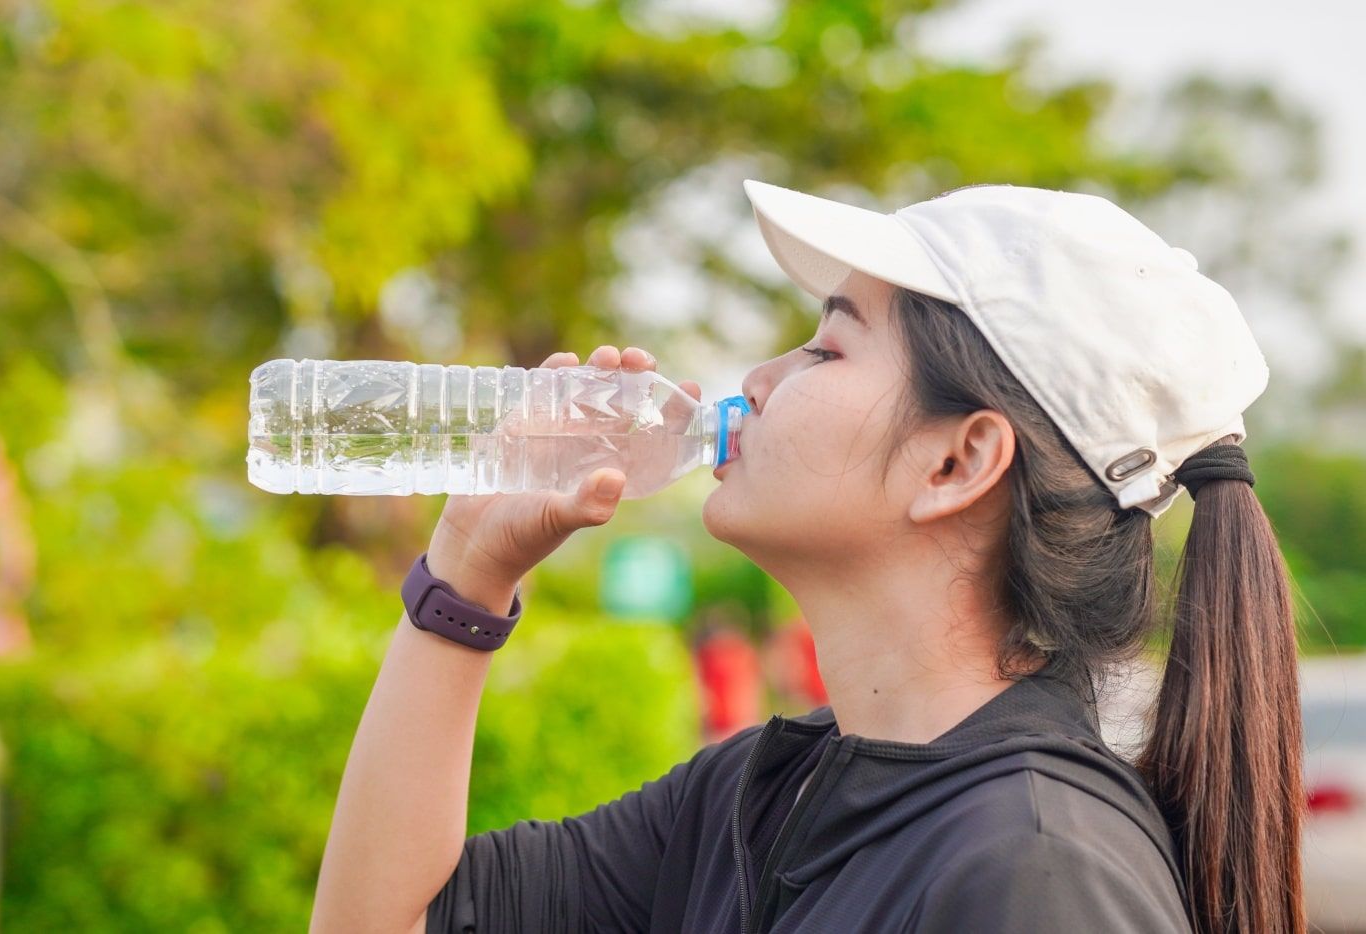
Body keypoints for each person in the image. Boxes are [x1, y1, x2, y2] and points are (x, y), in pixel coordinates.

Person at [310, 180, 1304, 934]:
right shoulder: (758, 794)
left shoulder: (1032, 869)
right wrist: (466, 576)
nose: (758, 377)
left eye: (826, 350)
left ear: (956, 460)